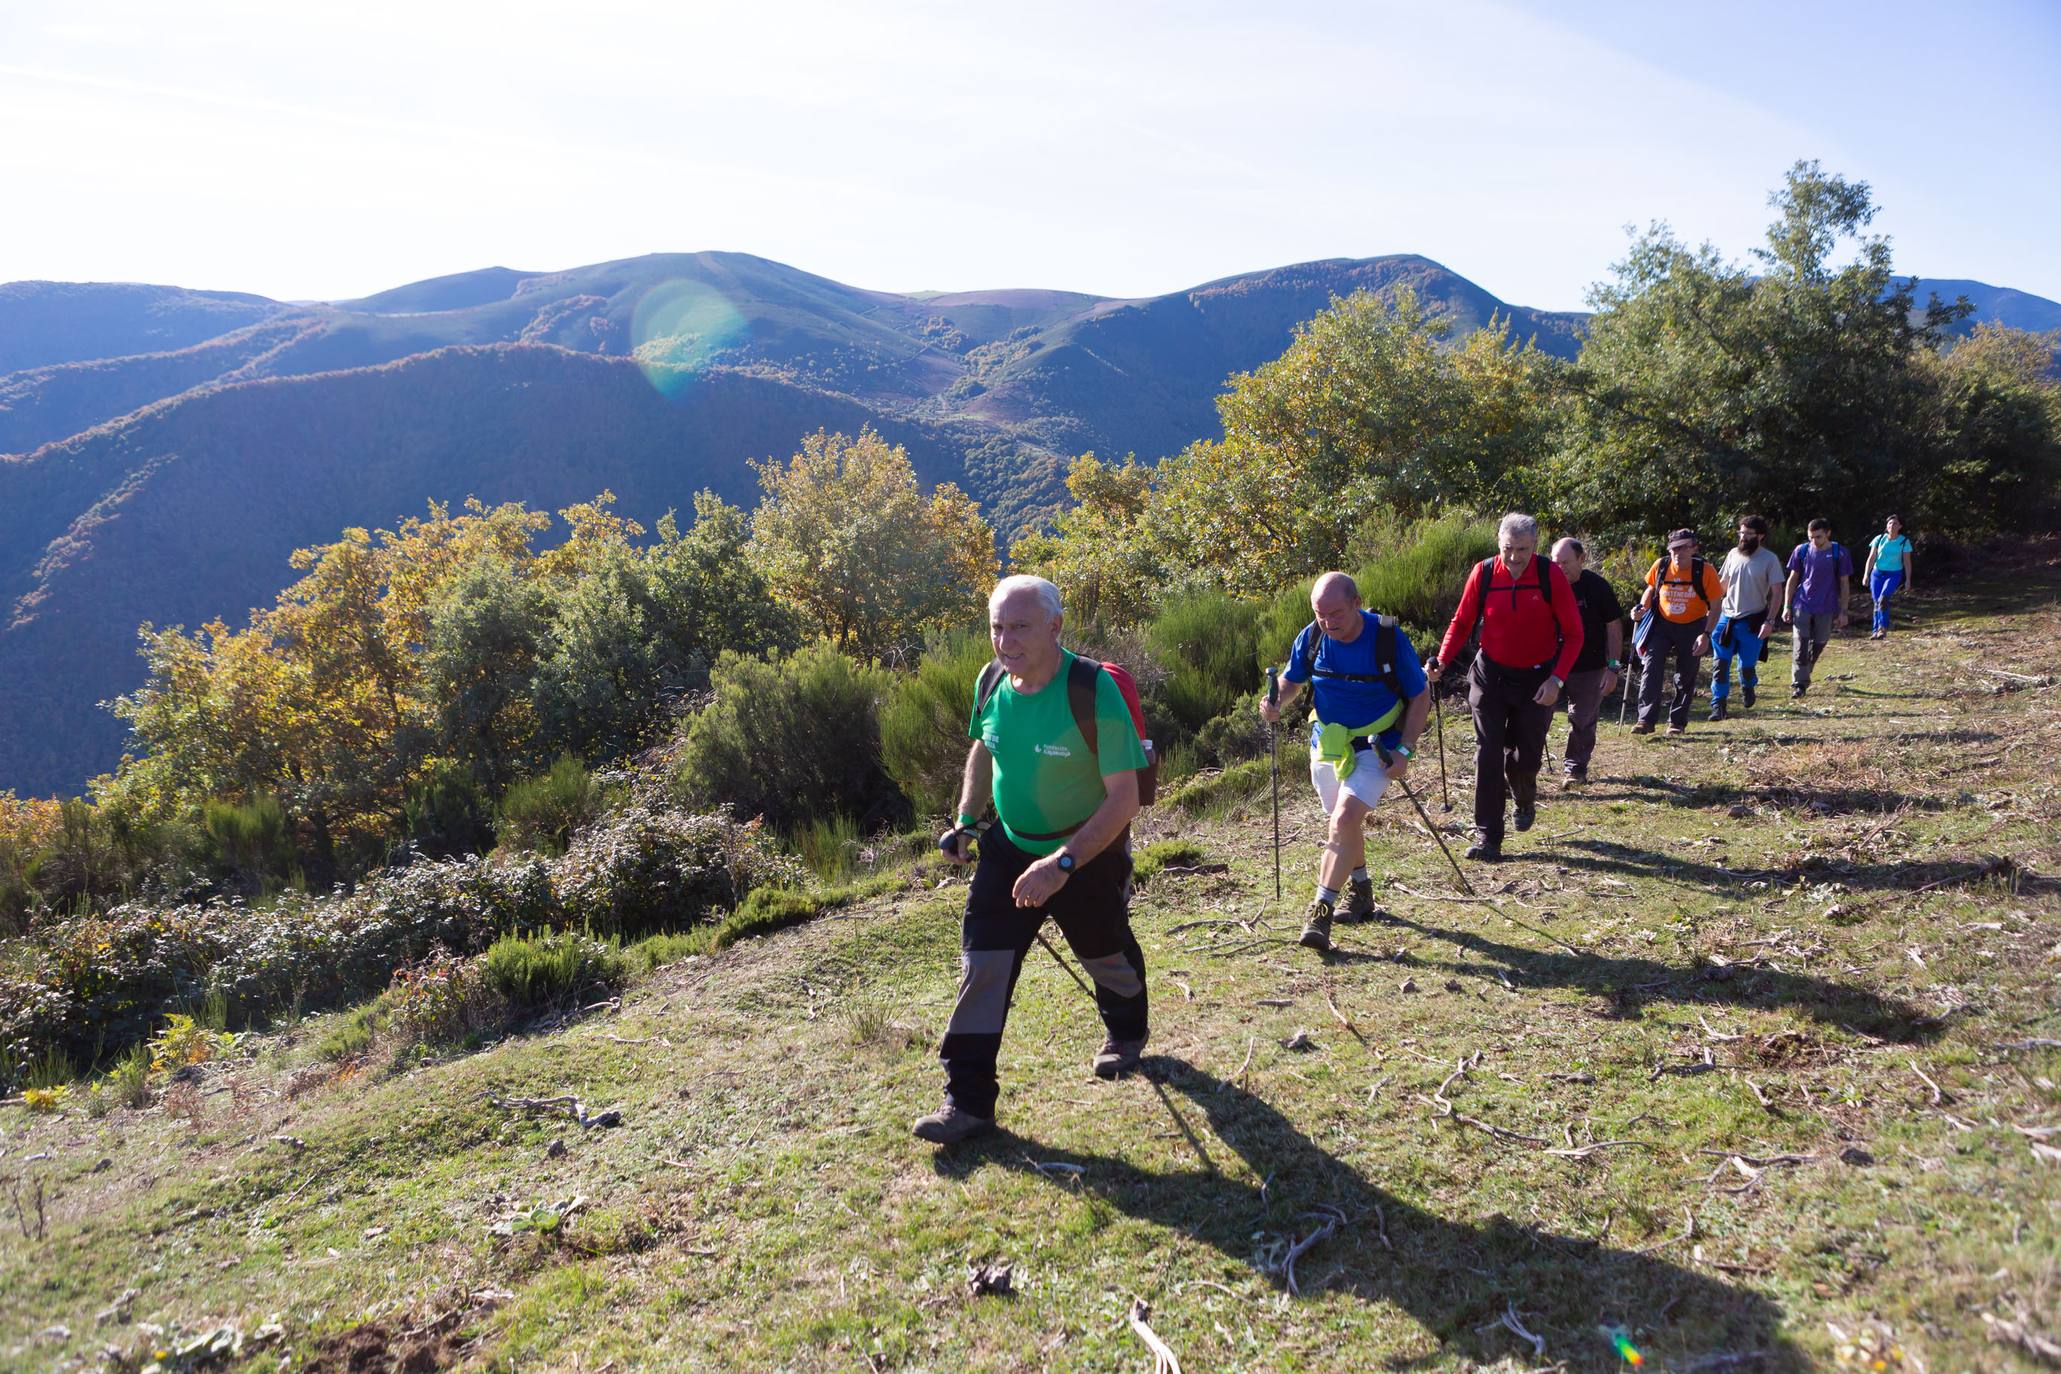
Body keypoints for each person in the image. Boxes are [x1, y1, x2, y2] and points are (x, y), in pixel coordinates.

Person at [914, 575, 1150, 1145]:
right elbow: (982, 746)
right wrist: (967, 820)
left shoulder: (1092, 689)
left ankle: (1127, 1033)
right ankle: (967, 1102)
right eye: (997, 627)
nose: (1005, 640)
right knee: (983, 967)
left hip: (1086, 850)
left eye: (1019, 626)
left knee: (1104, 953)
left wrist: (1061, 866)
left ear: (1054, 626)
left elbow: (1126, 797)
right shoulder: (992, 680)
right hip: (1009, 845)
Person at [1258, 571, 1430, 952]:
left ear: (1356, 603)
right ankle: (1363, 889)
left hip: (1377, 745)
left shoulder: (1386, 638)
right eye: (1320, 614)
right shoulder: (1313, 637)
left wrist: (1405, 750)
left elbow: (1421, 696)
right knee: (1342, 823)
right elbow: (1292, 681)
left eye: (1336, 613)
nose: (1328, 622)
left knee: (1344, 819)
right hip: (1329, 743)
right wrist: (1275, 703)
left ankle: (1320, 911)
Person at [1427, 513, 1583, 863]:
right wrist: (1441, 659)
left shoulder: (1550, 575)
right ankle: (1488, 836)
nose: (1514, 557)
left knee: (1526, 756)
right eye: (1507, 549)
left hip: (1537, 678)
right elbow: (1462, 620)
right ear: (1498, 544)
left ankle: (1524, 792)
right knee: (1488, 751)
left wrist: (1556, 679)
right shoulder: (1483, 573)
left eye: (1522, 550)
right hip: (1490, 675)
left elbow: (1574, 634)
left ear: (1535, 547)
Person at [1547, 538, 1623, 787]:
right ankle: (1523, 770)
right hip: (1550, 665)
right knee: (1536, 717)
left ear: (1582, 559)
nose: (1560, 568)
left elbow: (1613, 627)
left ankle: (1575, 770)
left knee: (1582, 718)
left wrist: (1612, 667)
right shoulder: (1545, 585)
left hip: (1589, 665)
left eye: (1565, 563)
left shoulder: (1597, 587)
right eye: (1555, 563)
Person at [1633, 529, 1723, 735]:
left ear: (1694, 548)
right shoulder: (1661, 565)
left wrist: (1706, 634)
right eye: (1674, 548)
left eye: (1683, 548)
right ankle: (1645, 720)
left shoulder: (1705, 571)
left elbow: (1716, 606)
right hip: (1662, 624)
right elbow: (1650, 589)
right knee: (1651, 665)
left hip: (1693, 626)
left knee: (1685, 674)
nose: (1678, 553)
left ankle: (1677, 722)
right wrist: (1641, 609)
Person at [1709, 514, 1785, 721]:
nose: (1743, 537)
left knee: (1747, 666)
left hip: (1753, 621)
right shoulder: (1733, 554)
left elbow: (1777, 592)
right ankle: (1718, 705)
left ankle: (1748, 686)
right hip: (1726, 618)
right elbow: (1722, 584)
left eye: (1748, 534)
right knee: (1720, 665)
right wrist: (1711, 608)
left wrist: (1770, 621)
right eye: (1741, 533)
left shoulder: (1769, 559)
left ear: (1760, 536)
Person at [1780, 519, 1853, 698]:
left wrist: (1844, 611)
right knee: (1800, 644)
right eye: (1811, 537)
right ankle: (1799, 684)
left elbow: (1844, 583)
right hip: (1802, 603)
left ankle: (1806, 671)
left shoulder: (1840, 553)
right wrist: (1787, 606)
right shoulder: (1801, 551)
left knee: (1819, 642)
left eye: (1818, 537)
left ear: (1828, 534)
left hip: (1827, 605)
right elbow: (1793, 578)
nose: (1814, 541)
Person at [1863, 515, 1916, 639]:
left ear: (1900, 527)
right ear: (1887, 526)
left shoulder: (1904, 541)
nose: (1892, 526)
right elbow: (1871, 558)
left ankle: (1883, 628)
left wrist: (1908, 579)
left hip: (1893, 574)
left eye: (1895, 524)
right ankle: (1875, 630)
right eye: (1890, 523)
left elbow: (1907, 562)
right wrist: (1866, 574)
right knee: (1876, 601)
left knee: (1884, 599)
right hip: (1877, 573)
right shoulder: (1879, 539)